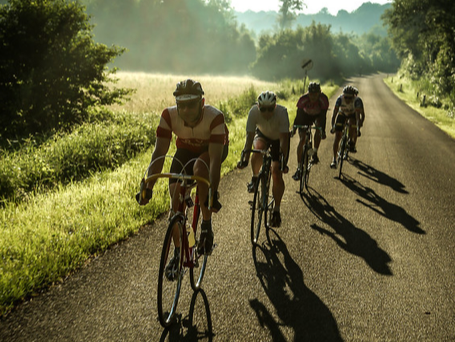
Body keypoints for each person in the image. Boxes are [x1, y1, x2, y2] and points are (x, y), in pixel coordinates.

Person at [137, 78, 228, 268]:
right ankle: (179, 252)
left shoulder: (215, 118)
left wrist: (213, 192)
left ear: (202, 103)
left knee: (200, 169)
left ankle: (206, 226)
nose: (186, 110)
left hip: (211, 151)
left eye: (191, 104)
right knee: (175, 198)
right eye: (181, 105)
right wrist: (149, 186)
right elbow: (159, 153)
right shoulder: (168, 116)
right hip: (185, 151)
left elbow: (214, 161)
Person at [237, 91, 290, 228]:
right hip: (262, 135)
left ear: (275, 106)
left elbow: (284, 140)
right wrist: (245, 159)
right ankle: (255, 178)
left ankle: (276, 210)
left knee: (276, 172)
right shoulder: (253, 112)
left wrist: (283, 162)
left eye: (270, 109)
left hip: (278, 140)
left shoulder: (282, 113)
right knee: (258, 148)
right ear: (258, 106)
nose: (266, 113)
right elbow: (249, 137)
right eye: (263, 109)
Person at [291, 81, 330, 180]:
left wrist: (322, 131)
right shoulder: (303, 99)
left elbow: (323, 117)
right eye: (311, 94)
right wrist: (294, 128)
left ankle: (315, 152)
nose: (313, 97)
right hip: (305, 116)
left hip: (318, 116)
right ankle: (299, 168)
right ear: (308, 93)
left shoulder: (323, 99)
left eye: (315, 94)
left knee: (318, 128)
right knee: (302, 139)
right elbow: (298, 115)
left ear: (319, 93)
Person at [330, 85, 365, 168]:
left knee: (353, 123)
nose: (348, 100)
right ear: (343, 96)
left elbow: (359, 116)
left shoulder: (357, 101)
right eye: (346, 97)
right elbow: (334, 115)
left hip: (353, 114)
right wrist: (333, 126)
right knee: (337, 136)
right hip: (342, 113)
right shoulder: (339, 99)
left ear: (354, 96)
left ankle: (351, 140)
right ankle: (334, 159)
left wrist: (358, 128)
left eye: (350, 98)